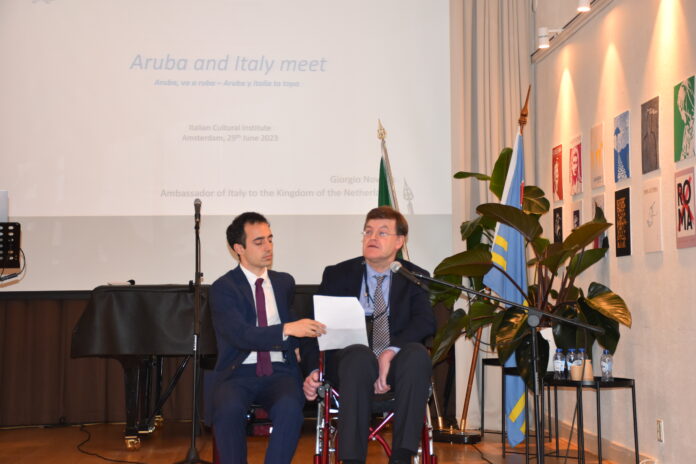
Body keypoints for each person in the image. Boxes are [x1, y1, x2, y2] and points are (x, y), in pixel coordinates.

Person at [302, 206, 435, 464]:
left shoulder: (414, 276)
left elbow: (425, 322)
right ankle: (352, 459)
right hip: (349, 367)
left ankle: (402, 456)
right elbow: (312, 327)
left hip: (395, 368)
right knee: (359, 356)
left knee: (417, 355)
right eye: (368, 231)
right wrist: (312, 371)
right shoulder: (338, 274)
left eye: (382, 233)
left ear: (399, 241)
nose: (372, 238)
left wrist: (389, 352)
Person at [208, 212, 326, 464]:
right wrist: (286, 330)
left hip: (280, 371)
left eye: (270, 239)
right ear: (239, 248)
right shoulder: (224, 288)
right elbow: (241, 335)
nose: (268, 247)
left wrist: (311, 368)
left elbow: (302, 335)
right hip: (238, 372)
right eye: (259, 242)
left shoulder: (284, 283)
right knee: (227, 410)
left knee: (290, 408)